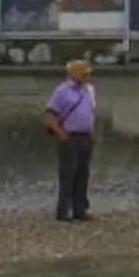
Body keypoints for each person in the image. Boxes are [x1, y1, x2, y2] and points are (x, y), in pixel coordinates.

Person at [45, 59, 97, 221]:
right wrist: (60, 133)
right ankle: (64, 210)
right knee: (68, 174)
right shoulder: (62, 91)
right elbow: (50, 114)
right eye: (84, 74)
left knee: (83, 174)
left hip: (85, 136)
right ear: (74, 74)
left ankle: (80, 209)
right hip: (69, 136)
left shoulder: (89, 90)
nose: (88, 76)